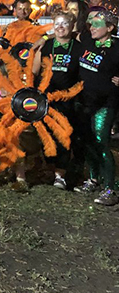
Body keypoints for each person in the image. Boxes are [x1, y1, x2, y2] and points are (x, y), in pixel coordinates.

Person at [32, 11, 82, 190]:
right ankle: (48, 169)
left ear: (72, 26)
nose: (61, 27)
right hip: (45, 98)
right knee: (45, 135)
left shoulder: (78, 48)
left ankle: (60, 175)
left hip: (67, 100)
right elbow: (34, 71)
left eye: (65, 24)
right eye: (57, 23)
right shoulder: (46, 45)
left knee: (63, 136)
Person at [74, 11, 119, 205]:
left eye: (97, 24)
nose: (92, 27)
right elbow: (63, 34)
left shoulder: (117, 47)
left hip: (105, 103)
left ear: (109, 28)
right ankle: (93, 179)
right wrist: (42, 39)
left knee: (101, 141)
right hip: (84, 102)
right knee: (85, 141)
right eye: (90, 23)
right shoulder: (86, 38)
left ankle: (110, 189)